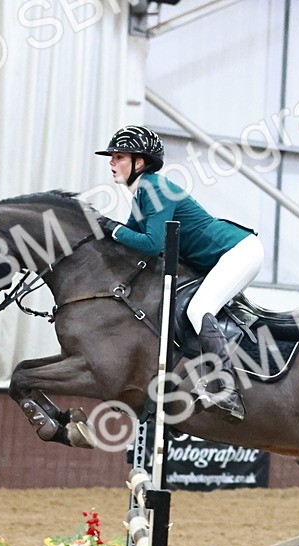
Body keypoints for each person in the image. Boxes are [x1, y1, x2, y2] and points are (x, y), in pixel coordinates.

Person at [96, 125, 261, 421]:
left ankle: (225, 389)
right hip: (224, 256)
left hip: (238, 252)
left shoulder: (154, 188)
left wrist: (108, 226)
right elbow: (128, 242)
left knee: (199, 309)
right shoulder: (141, 196)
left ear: (140, 162)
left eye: (118, 156)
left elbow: (150, 243)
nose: (111, 162)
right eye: (112, 157)